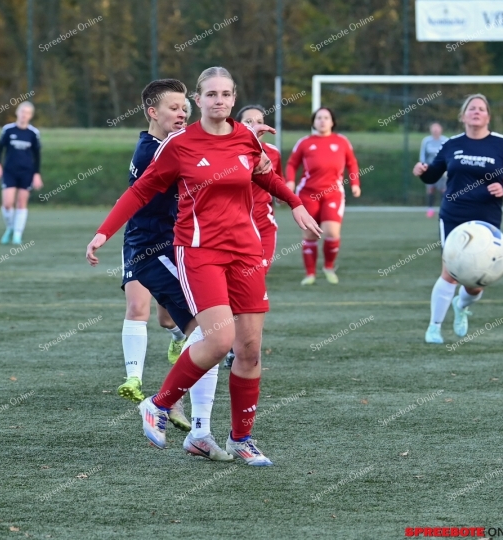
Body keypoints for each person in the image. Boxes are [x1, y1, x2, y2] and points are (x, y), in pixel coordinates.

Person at [86, 66, 321, 466]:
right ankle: (158, 406)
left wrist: (295, 203)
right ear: (199, 100)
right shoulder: (180, 145)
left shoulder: (246, 137)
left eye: (226, 94)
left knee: (249, 350)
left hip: (245, 252)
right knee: (217, 339)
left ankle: (241, 439)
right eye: (211, 95)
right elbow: (141, 190)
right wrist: (103, 233)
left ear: (233, 98)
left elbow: (266, 177)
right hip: (200, 251)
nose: (219, 101)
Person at [116, 79, 197, 436]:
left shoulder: (159, 144)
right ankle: (169, 402)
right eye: (174, 108)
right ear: (153, 112)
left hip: (163, 245)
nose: (182, 114)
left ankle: (192, 419)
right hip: (155, 248)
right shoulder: (155, 151)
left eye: (184, 108)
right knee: (207, 328)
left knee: (176, 323)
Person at [413, 94, 503, 344]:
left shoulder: (501, 144)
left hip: (486, 218)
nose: (476, 112)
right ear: (462, 116)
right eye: (471, 108)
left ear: (488, 116)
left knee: (475, 284)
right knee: (450, 271)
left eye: (481, 109)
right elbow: (433, 175)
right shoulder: (452, 144)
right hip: (454, 214)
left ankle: (461, 306)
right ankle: (434, 327)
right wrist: (423, 172)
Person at [222, 104, 283, 369]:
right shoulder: (226, 153)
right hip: (234, 228)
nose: (256, 126)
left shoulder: (273, 154)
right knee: (230, 289)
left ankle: (243, 347)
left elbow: (276, 184)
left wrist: (293, 202)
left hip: (263, 227)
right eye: (249, 121)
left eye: (260, 121)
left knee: (253, 285)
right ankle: (228, 343)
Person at [285, 108, 361, 285]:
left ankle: (328, 267)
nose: (322, 121)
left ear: (332, 122)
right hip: (307, 194)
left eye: (326, 118)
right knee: (310, 233)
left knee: (332, 232)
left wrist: (355, 184)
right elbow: (291, 163)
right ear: (313, 121)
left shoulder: (341, 141)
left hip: (333, 194)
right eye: (319, 118)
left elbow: (352, 162)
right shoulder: (305, 142)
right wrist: (290, 181)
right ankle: (310, 274)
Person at [0, 101, 43, 245]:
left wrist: (37, 174)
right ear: (17, 113)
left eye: (27, 113)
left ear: (30, 116)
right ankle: (10, 227)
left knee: (22, 203)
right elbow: (0, 149)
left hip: (26, 172)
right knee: (7, 204)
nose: (24, 115)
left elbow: (37, 155)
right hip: (9, 171)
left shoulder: (33, 133)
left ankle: (17, 235)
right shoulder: (8, 130)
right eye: (22, 112)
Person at [421, 122, 449, 218]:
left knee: (443, 190)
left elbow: (449, 156)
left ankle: (443, 209)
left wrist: (446, 169)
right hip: (430, 169)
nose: (435, 131)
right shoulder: (426, 141)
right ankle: (430, 210)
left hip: (443, 171)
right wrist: (423, 167)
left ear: (441, 130)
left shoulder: (445, 140)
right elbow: (423, 156)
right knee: (430, 189)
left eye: (437, 129)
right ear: (431, 130)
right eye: (434, 129)